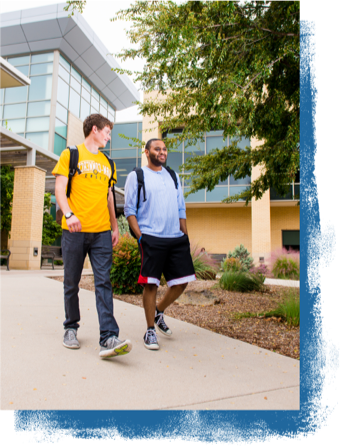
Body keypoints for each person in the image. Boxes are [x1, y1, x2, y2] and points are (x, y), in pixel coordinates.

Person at [52, 114, 132, 359]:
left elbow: (109, 196)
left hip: (100, 233)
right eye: (107, 131)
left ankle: (108, 336)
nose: (109, 136)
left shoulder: (108, 162)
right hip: (74, 230)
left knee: (103, 283)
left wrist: (115, 226)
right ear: (94, 129)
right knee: (71, 282)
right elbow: (59, 188)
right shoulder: (71, 154)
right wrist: (68, 214)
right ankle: (70, 328)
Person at [124, 138, 196, 350]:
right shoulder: (136, 176)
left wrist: (185, 235)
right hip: (151, 236)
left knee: (182, 282)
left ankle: (157, 311)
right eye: (157, 149)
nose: (162, 152)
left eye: (164, 149)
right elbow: (129, 211)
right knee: (151, 283)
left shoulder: (173, 176)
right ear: (147, 152)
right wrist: (140, 237)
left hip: (175, 237)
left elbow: (181, 207)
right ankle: (150, 331)